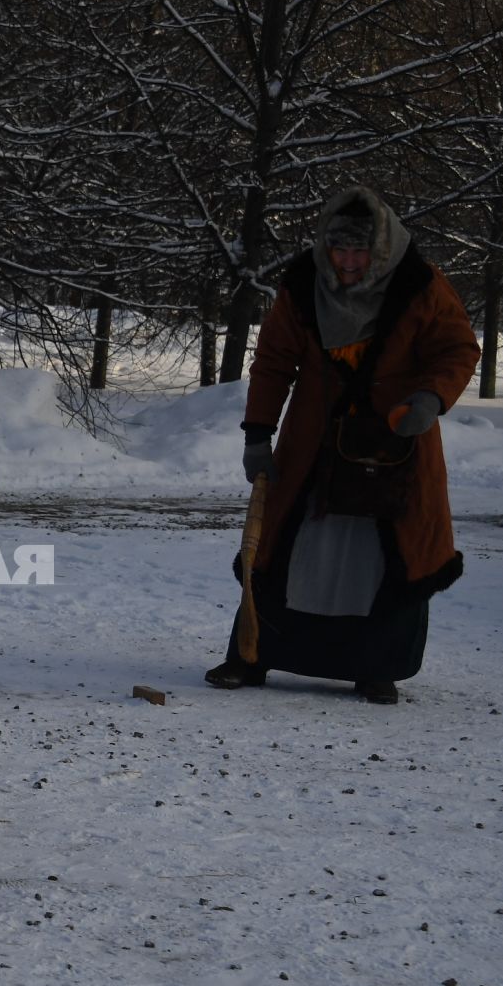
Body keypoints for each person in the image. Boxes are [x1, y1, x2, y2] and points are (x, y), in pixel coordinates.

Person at [205, 186, 480, 704]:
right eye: (340, 250)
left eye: (359, 252)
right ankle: (251, 655)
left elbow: (457, 348)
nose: (349, 262)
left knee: (389, 555)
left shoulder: (420, 285)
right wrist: (258, 434)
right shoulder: (304, 283)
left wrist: (429, 399)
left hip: (394, 445)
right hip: (314, 442)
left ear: (379, 250)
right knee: (282, 548)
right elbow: (273, 361)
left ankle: (377, 668)